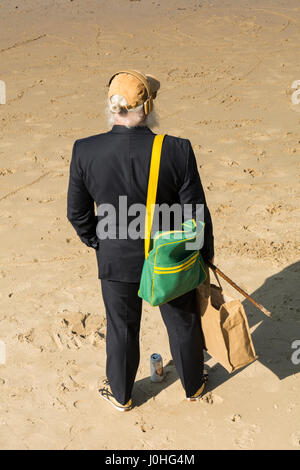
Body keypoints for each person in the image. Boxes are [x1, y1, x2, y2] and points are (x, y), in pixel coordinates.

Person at [67, 69, 214, 412]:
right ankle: (194, 386)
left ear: (111, 108)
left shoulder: (85, 150)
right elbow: (196, 214)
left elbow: (77, 213)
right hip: (168, 255)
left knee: (121, 329)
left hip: (115, 256)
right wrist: (204, 257)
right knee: (182, 321)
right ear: (146, 108)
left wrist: (98, 241)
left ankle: (121, 395)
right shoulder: (177, 149)